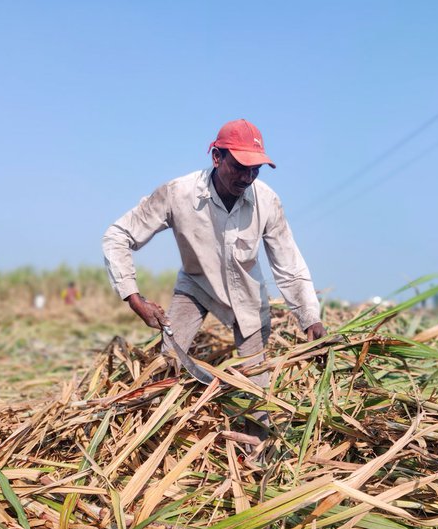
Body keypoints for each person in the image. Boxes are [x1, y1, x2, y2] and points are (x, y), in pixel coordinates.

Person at [102, 119, 326, 439]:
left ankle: (255, 456)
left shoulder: (266, 201)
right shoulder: (177, 194)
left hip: (248, 296)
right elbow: (118, 235)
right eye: (240, 167)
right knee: (167, 363)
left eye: (255, 169)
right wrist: (133, 299)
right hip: (196, 285)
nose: (247, 177)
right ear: (217, 158)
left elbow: (289, 263)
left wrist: (310, 319)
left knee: (255, 385)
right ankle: (157, 439)